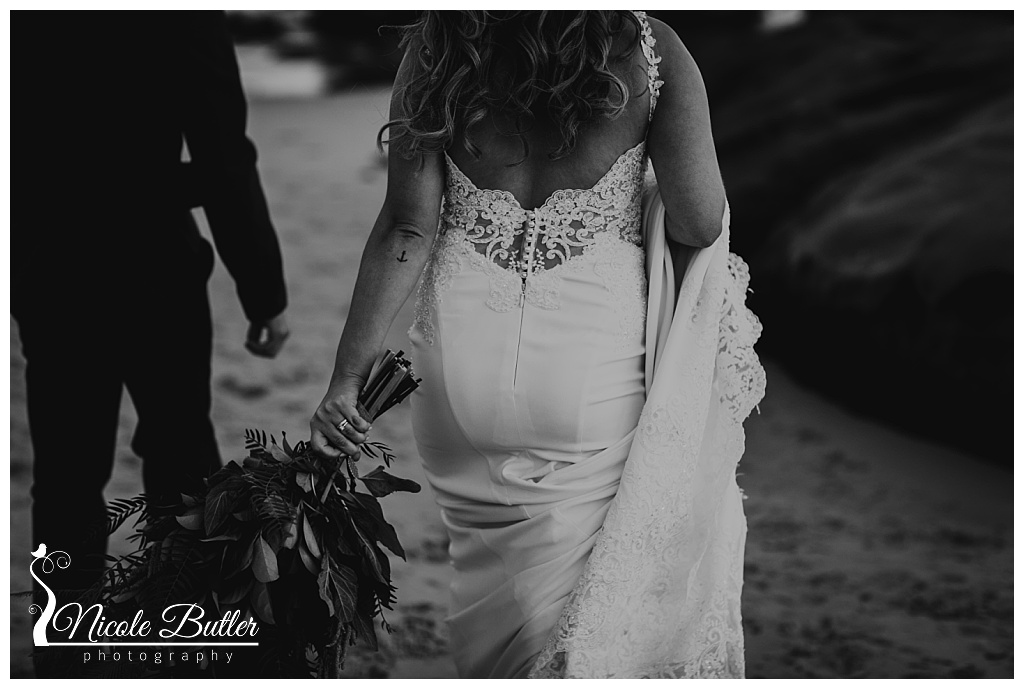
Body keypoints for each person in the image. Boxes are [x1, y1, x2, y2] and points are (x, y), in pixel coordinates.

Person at [310, 10, 763, 678]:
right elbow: (699, 220)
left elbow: (407, 227)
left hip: (458, 370)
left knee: (493, 592)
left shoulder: (440, 42)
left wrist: (347, 380)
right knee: (579, 627)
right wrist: (636, 196)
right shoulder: (648, 48)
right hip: (589, 373)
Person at [12, 11, 289, 598]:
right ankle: (188, 629)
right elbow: (222, 153)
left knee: (66, 472)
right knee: (181, 454)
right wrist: (263, 291)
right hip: (155, 265)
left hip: (51, 267)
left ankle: (64, 637)